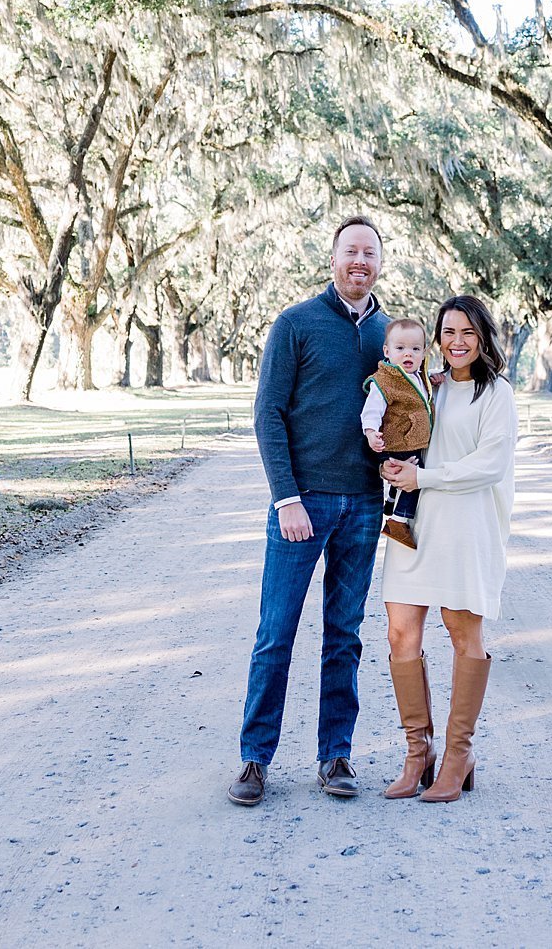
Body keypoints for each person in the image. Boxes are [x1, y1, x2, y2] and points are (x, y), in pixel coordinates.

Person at [228, 216, 390, 807]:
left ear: (378, 263)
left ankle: (335, 754)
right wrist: (286, 497)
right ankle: (254, 759)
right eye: (351, 251)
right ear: (333, 259)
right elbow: (268, 414)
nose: (359, 262)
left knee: (344, 635)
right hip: (303, 503)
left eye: (369, 254)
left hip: (365, 506)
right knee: (276, 633)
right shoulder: (295, 325)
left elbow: (409, 411)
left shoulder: (388, 336)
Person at [377, 294, 518, 802]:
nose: (456, 342)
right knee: (400, 634)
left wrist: (424, 477)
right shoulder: (427, 387)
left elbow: (489, 466)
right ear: (437, 340)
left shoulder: (495, 393)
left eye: (467, 333)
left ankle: (459, 754)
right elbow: (402, 436)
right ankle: (419, 753)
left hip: (466, 527)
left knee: (463, 635)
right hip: (413, 524)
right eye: (448, 333)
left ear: (483, 338)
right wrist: (392, 465)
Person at [361, 317, 434, 550]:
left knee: (404, 476)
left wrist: (436, 378)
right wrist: (371, 432)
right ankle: (399, 521)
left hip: (409, 439)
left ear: (424, 353)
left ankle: (391, 503)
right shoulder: (385, 381)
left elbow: (422, 391)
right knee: (415, 478)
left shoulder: (417, 376)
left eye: (415, 349)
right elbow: (372, 409)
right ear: (387, 351)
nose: (408, 355)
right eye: (400, 348)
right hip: (398, 441)